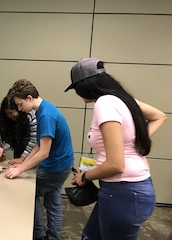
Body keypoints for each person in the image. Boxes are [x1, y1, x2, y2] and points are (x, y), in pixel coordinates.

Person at [64, 58, 167, 240]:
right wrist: (135, 141)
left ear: (85, 85)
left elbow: (115, 164)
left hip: (124, 193)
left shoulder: (105, 103)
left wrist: (85, 176)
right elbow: (159, 116)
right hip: (127, 190)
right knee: (90, 236)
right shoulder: (123, 99)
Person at [5, 79, 74, 240]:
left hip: (56, 166)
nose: (20, 109)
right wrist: (24, 161)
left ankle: (39, 234)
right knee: (53, 202)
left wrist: (20, 169)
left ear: (29, 98)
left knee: (28, 192)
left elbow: (44, 152)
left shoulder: (46, 115)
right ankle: (51, 236)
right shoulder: (43, 109)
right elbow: (38, 143)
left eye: (20, 104)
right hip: (62, 165)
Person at [0, 96, 37, 163]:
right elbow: (10, 138)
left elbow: (34, 141)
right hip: (19, 152)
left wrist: (23, 158)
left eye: (11, 113)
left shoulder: (30, 115)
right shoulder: (7, 119)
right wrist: (2, 148)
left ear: (19, 109)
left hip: (33, 154)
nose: (10, 116)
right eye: (7, 114)